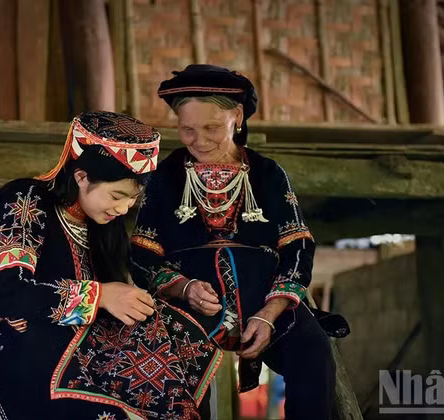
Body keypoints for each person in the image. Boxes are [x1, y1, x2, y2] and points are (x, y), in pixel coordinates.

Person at [0, 111, 222, 420]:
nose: (124, 208)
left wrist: (186, 289)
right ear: (81, 177)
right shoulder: (27, 199)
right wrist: (100, 296)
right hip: (23, 350)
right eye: (117, 195)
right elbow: (5, 293)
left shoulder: (104, 226)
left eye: (132, 199)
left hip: (92, 355)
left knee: (171, 328)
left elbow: (137, 278)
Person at [130, 65, 335, 419]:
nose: (199, 140)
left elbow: (298, 246)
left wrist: (271, 315)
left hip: (264, 298)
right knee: (179, 379)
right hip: (188, 309)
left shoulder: (269, 174)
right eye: (187, 129)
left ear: (237, 117)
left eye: (211, 127)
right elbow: (141, 255)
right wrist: (183, 287)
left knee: (313, 349)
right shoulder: (163, 177)